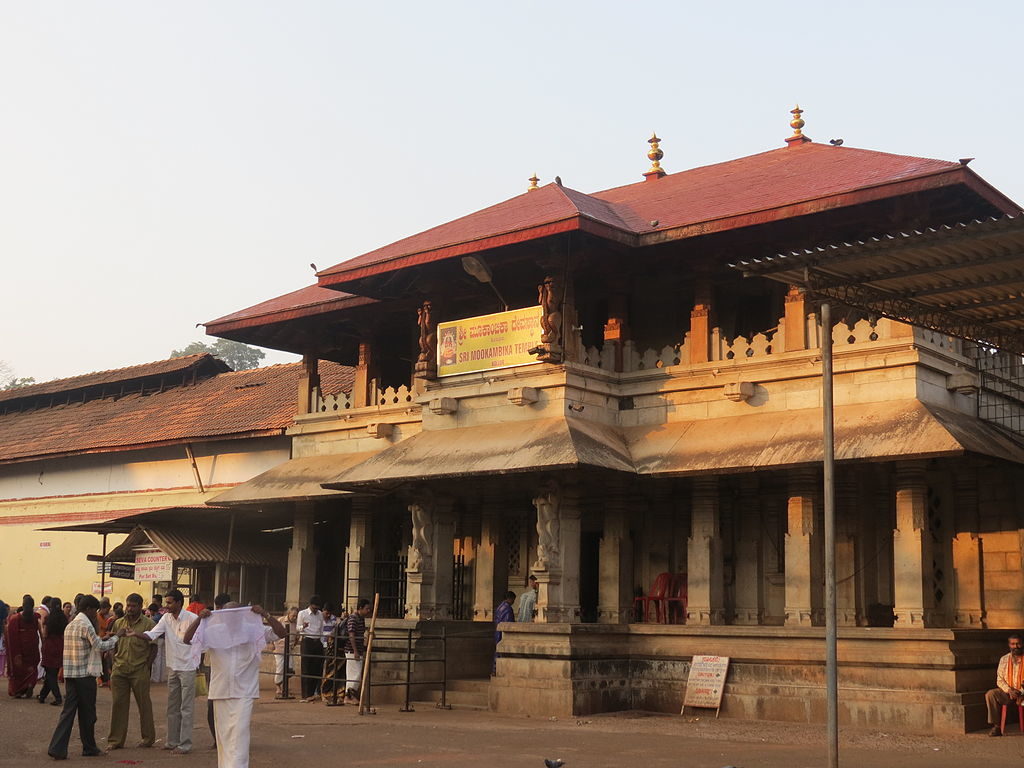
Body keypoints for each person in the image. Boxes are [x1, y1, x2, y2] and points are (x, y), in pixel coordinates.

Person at [184, 602, 286, 768]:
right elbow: (187, 639)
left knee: (240, 733)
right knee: (223, 735)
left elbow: (281, 633)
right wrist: (199, 620)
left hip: (245, 690)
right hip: (220, 690)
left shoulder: (253, 629)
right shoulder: (214, 631)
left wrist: (266, 614)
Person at [47, 594, 124, 760]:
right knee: (88, 713)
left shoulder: (71, 624)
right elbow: (100, 646)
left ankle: (57, 747)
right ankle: (89, 747)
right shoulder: (86, 625)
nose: (95, 614)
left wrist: (104, 637)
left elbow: (90, 643)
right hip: (85, 675)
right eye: (94, 610)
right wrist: (118, 636)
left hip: (71, 674)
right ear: (88, 609)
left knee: (68, 712)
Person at [137, 589, 198, 754]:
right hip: (173, 666)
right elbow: (152, 634)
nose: (166, 606)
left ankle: (185, 744)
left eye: (170, 602)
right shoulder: (165, 618)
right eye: (166, 602)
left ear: (179, 602)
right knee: (172, 707)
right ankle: (172, 741)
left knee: (186, 708)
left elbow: (200, 641)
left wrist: (197, 661)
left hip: (188, 667)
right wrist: (134, 634)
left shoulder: (192, 618)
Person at [106, 593, 157, 750]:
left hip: (139, 669)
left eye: (133, 606)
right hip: (120, 669)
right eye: (128, 605)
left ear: (140, 606)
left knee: (144, 705)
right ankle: (116, 740)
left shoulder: (148, 624)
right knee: (118, 705)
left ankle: (148, 738)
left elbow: (153, 646)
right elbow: (113, 644)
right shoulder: (118, 623)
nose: (129, 609)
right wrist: (113, 663)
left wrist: (148, 665)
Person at [986, 633, 1024, 736]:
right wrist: (1009, 690)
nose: (1016, 646)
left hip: (1023, 692)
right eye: (1013, 644)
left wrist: (1020, 691)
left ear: (1022, 644)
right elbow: (999, 680)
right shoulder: (1004, 659)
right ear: (1009, 645)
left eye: (1018, 644)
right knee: (991, 694)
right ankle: (996, 726)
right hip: (1008, 692)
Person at [6, 594, 40, 698]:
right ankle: (30, 684)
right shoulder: (35, 617)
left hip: (19, 646)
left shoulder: (15, 618)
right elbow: (40, 631)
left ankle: (18, 690)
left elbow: (10, 634)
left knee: (19, 668)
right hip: (33, 645)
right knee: (31, 667)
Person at [38, 597, 68, 705]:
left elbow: (45, 634)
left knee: (50, 674)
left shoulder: (48, 618)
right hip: (60, 645)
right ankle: (42, 696)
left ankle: (58, 697)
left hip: (50, 645)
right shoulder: (64, 618)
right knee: (52, 673)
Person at [343, 598, 373, 704]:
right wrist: (355, 650)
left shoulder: (361, 618)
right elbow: (351, 635)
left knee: (355, 673)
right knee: (355, 674)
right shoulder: (353, 618)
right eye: (366, 609)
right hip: (352, 650)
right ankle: (350, 695)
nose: (368, 611)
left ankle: (349, 695)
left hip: (359, 649)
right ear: (360, 608)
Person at [296, 595, 324, 702]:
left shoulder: (320, 614)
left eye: (317, 607)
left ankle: (313, 693)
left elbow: (321, 628)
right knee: (306, 668)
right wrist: (303, 626)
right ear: (310, 605)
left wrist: (321, 641)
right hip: (307, 640)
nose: (316, 609)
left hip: (317, 641)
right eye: (314, 607)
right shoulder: (302, 613)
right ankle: (306, 694)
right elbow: (298, 628)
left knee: (316, 668)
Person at [273, 606, 298, 698]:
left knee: (290, 668)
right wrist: (273, 644)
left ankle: (285, 686)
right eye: (293, 616)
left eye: (296, 616)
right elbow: (273, 632)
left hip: (289, 648)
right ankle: (278, 686)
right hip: (279, 647)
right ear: (289, 614)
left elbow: (297, 635)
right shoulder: (281, 620)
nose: (294, 618)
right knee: (280, 667)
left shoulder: (296, 624)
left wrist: (294, 644)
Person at [493, 591, 516, 675]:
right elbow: (509, 623)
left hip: (497, 631)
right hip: (503, 633)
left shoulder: (500, 607)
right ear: (510, 599)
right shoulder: (508, 608)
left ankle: (495, 669)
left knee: (497, 651)